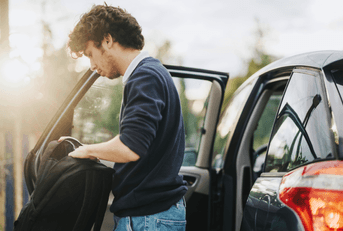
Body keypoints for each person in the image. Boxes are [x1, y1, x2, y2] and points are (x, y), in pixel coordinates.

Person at [61, 3, 187, 231]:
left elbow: (130, 148)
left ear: (107, 40)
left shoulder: (145, 77)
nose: (92, 66)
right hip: (152, 215)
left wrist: (86, 150)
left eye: (91, 54)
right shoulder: (151, 73)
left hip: (149, 218)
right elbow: (142, 150)